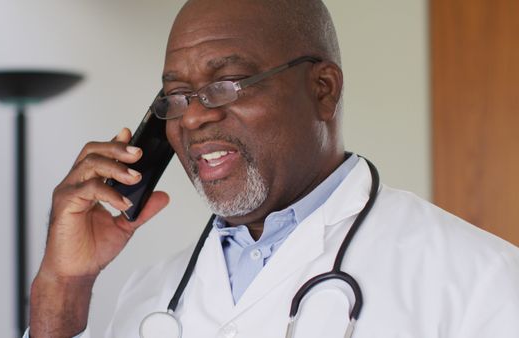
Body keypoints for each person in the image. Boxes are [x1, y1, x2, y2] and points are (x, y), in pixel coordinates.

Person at [26, 0, 519, 337]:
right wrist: (63, 284)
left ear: (322, 90)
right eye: (177, 95)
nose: (194, 115)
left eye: (229, 83)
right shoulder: (151, 295)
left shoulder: (481, 280)